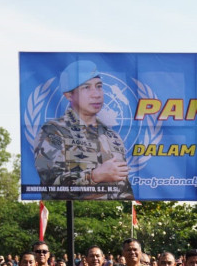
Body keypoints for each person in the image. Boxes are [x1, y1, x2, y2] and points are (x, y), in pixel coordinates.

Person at [33, 60, 133, 200]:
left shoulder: (112, 137)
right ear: (69, 95)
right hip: (73, 216)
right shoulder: (54, 131)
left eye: (99, 86)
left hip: (111, 217)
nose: (96, 94)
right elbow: (51, 187)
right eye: (86, 87)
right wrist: (94, 176)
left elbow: (124, 188)